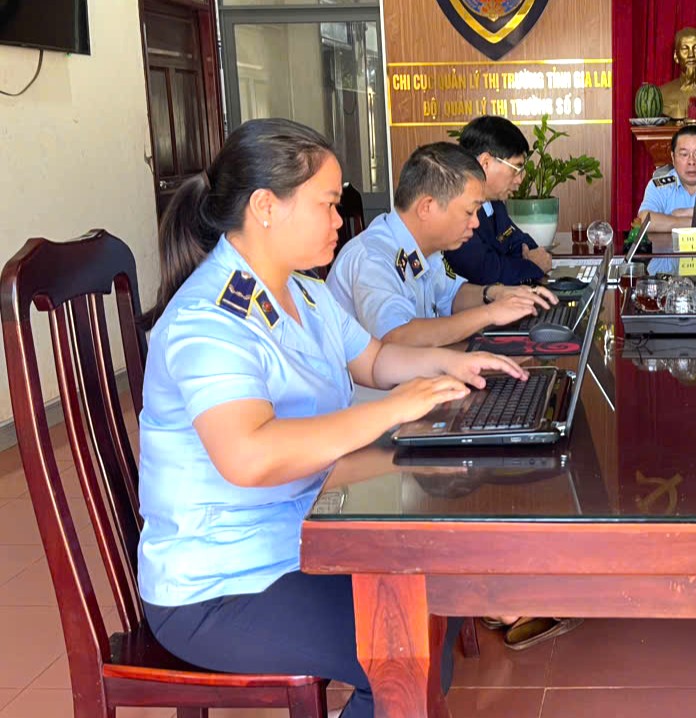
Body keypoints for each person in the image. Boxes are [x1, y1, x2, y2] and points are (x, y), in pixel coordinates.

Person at [136, 118, 531, 718]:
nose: (339, 220)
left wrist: (458, 363)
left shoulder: (304, 292)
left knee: (429, 605)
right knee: (405, 648)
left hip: (300, 536)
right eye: (326, 204)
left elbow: (373, 359)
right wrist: (397, 407)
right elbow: (249, 456)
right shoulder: (209, 320)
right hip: (222, 582)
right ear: (266, 207)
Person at [327, 142, 558, 347]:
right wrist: (489, 314)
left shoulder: (426, 249)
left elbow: (452, 295)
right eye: (469, 212)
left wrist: (495, 293)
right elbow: (398, 336)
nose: (476, 223)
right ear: (427, 207)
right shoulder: (373, 258)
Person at [444, 115, 553, 285]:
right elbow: (484, 270)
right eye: (516, 169)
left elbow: (522, 242)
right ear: (485, 163)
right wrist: (532, 266)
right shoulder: (453, 208)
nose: (520, 180)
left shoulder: (494, 203)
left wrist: (511, 262)